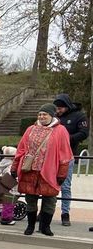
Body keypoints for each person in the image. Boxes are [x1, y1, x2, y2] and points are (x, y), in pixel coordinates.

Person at [11, 103, 73, 236]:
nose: (42, 116)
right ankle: (30, 226)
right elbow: (21, 150)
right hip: (30, 171)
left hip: (49, 172)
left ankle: (45, 227)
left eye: (45, 114)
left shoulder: (61, 131)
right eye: (40, 114)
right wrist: (14, 167)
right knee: (30, 200)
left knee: (50, 200)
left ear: (52, 115)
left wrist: (62, 173)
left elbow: (65, 154)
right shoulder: (30, 129)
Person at [52, 93, 89, 226]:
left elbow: (84, 133)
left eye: (60, 108)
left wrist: (67, 139)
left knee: (65, 186)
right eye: (56, 108)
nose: (58, 110)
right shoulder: (54, 117)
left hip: (68, 155)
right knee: (50, 185)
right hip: (52, 155)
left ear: (67, 106)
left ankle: (65, 213)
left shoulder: (79, 116)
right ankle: (46, 211)